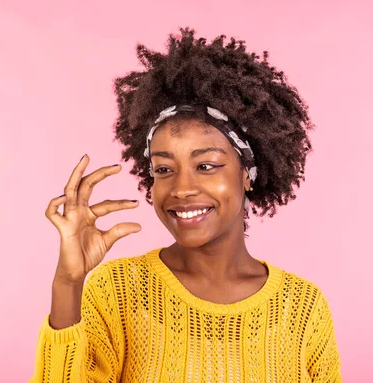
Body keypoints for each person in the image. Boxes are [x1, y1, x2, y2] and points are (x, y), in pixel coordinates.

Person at [30, 28, 342, 383]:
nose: (181, 188)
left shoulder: (301, 308)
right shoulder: (116, 291)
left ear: (248, 173)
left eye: (206, 165)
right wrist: (68, 282)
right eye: (164, 169)